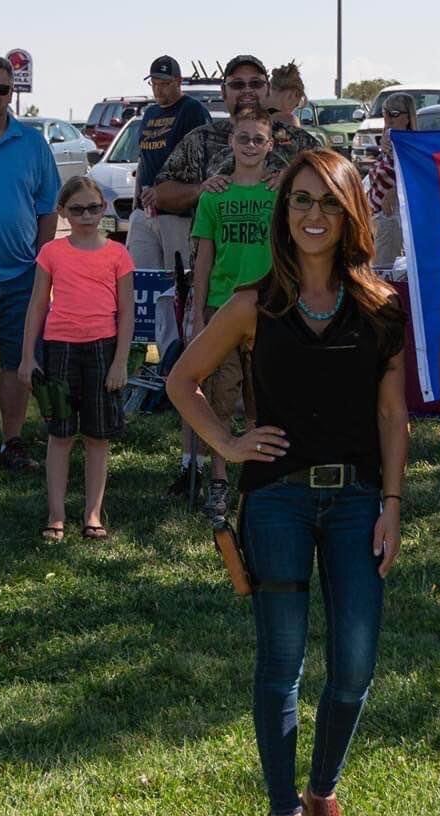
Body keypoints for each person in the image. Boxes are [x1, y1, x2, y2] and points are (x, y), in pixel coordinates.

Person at [166, 148, 408, 816]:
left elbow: (392, 414)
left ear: (351, 212)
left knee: (355, 665)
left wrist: (393, 502)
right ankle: (283, 812)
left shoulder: (381, 305)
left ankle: (322, 791)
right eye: (301, 200)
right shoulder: (253, 304)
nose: (313, 214)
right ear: (284, 212)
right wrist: (230, 444)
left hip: (359, 499)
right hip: (275, 500)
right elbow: (182, 380)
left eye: (328, 201)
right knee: (281, 663)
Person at [154, 54, 318, 496]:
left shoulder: (299, 144)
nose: (246, 91)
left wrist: (293, 182)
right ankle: (204, 470)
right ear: (224, 91)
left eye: (255, 83)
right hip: (220, 296)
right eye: (237, 84)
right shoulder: (202, 140)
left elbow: (335, 185)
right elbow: (161, 191)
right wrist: (199, 189)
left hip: (276, 299)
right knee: (216, 390)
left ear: (268, 90)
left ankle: (273, 470)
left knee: (270, 391)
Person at [17, 177, 134, 541]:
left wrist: (120, 361)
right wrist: (27, 357)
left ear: (104, 208)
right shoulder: (51, 253)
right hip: (60, 349)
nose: (86, 216)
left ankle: (93, 514)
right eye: (77, 209)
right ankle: (56, 515)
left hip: (103, 349)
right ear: (62, 212)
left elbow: (126, 312)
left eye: (93, 208)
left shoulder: (118, 254)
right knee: (61, 434)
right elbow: (37, 306)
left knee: (98, 437)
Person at [0, 53, 60, 471]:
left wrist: (42, 264)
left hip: (20, 276)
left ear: (11, 93)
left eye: (1, 89)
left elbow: (47, 208)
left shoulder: (32, 144)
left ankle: (12, 443)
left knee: (16, 364)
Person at [190, 106, 277, 521]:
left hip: (269, 307)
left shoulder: (279, 193)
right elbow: (204, 259)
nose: (250, 146)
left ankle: (261, 477)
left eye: (259, 139)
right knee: (220, 397)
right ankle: (219, 479)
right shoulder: (214, 195)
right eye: (243, 138)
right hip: (222, 306)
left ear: (270, 145)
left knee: (264, 395)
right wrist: (197, 313)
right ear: (231, 141)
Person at [127, 55, 210, 354]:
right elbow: (143, 159)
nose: (159, 89)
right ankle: (149, 353)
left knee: (178, 285)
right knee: (142, 283)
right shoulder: (149, 114)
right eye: (154, 83)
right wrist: (137, 202)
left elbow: (201, 159)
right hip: (145, 212)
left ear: (178, 81)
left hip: (177, 213)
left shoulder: (192, 110)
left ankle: (181, 353)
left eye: (165, 83)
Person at [367, 93, 417, 268]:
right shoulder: (389, 140)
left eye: (394, 114)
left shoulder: (411, 146)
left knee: (382, 271)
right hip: (377, 218)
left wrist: (395, 190)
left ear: (408, 117)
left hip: (390, 219)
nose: (387, 118)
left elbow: (413, 176)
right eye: (385, 113)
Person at [266, 62, 306, 132]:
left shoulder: (253, 112)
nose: (292, 110)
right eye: (296, 105)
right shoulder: (289, 120)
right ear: (292, 94)